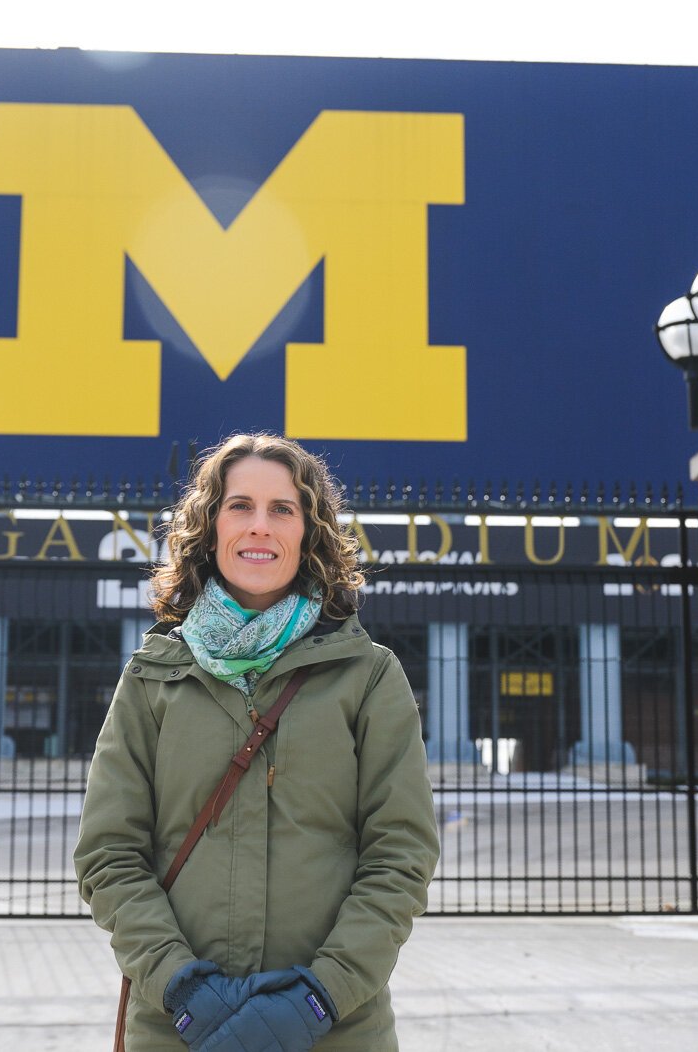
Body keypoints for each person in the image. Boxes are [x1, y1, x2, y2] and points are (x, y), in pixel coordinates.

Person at [74, 433, 440, 1051]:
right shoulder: (152, 677)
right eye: (239, 506)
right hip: (179, 1031)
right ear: (210, 527)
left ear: (309, 532)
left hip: (334, 1030)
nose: (259, 527)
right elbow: (109, 854)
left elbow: (399, 856)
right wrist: (181, 989)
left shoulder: (368, 675)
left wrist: (320, 997)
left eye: (283, 509)